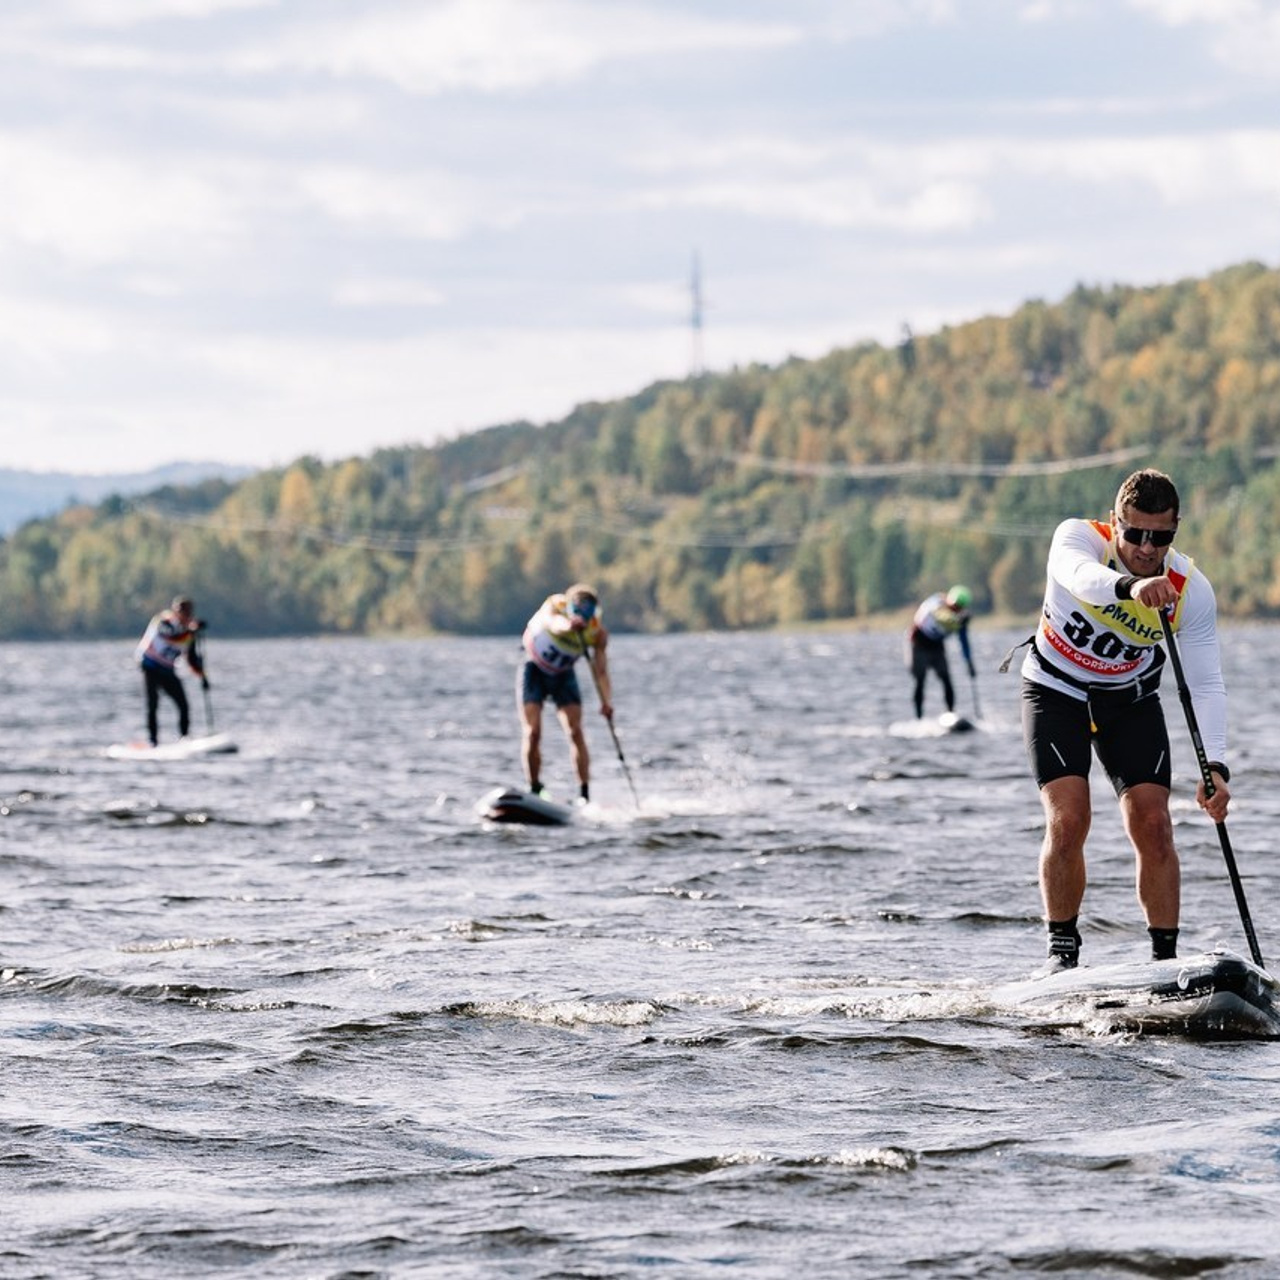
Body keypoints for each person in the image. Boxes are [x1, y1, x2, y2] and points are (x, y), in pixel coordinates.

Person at [1019, 468, 1230, 972]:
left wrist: (1216, 766)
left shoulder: (1190, 591)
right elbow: (1081, 579)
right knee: (1070, 819)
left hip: (1129, 701)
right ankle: (1062, 954)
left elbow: (1205, 683)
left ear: (1175, 529)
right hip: (1056, 691)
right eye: (1133, 533)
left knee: (1155, 825)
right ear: (1115, 522)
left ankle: (1164, 961)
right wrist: (1131, 588)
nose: (1145, 547)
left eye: (1160, 537)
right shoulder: (1077, 538)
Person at [518, 583, 613, 803]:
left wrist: (607, 702)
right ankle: (534, 788)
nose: (583, 616)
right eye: (578, 611)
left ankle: (584, 794)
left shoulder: (597, 632)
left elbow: (601, 671)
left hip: (563, 674)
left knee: (576, 732)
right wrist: (571, 625)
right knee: (533, 733)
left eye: (587, 614)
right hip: (534, 669)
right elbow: (554, 623)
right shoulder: (555, 606)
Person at [135, 596, 208, 747]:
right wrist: (192, 630)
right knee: (153, 704)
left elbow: (192, 660)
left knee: (183, 704)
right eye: (181, 612)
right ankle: (152, 741)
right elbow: (171, 637)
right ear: (175, 611)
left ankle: (184, 738)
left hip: (167, 669)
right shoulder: (163, 621)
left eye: (187, 613)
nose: (184, 616)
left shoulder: (188, 634)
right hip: (150, 666)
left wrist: (203, 676)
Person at [907, 585, 975, 718]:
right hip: (918, 643)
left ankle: (950, 713)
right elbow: (940, 616)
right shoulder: (937, 601)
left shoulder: (959, 619)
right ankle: (918, 717)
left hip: (936, 646)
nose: (956, 609)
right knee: (920, 680)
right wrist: (957, 620)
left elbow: (964, 641)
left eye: (959, 607)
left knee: (946, 679)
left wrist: (969, 662)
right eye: (955, 605)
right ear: (950, 600)